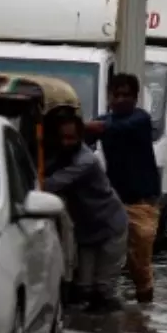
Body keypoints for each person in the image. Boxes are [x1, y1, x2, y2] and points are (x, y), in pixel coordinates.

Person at [84, 73, 161, 304]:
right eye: (115, 94)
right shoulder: (104, 122)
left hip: (142, 202)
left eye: (126, 95)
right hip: (114, 200)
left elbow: (113, 129)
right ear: (108, 96)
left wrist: (83, 125)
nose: (120, 99)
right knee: (106, 253)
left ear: (136, 97)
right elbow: (82, 142)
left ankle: (144, 309)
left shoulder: (141, 119)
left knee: (140, 263)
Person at [45, 115, 129, 313]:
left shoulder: (86, 161)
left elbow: (50, 184)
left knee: (104, 290)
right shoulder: (60, 156)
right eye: (63, 138)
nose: (66, 143)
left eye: (71, 138)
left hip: (110, 226)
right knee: (83, 288)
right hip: (86, 229)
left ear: (80, 137)